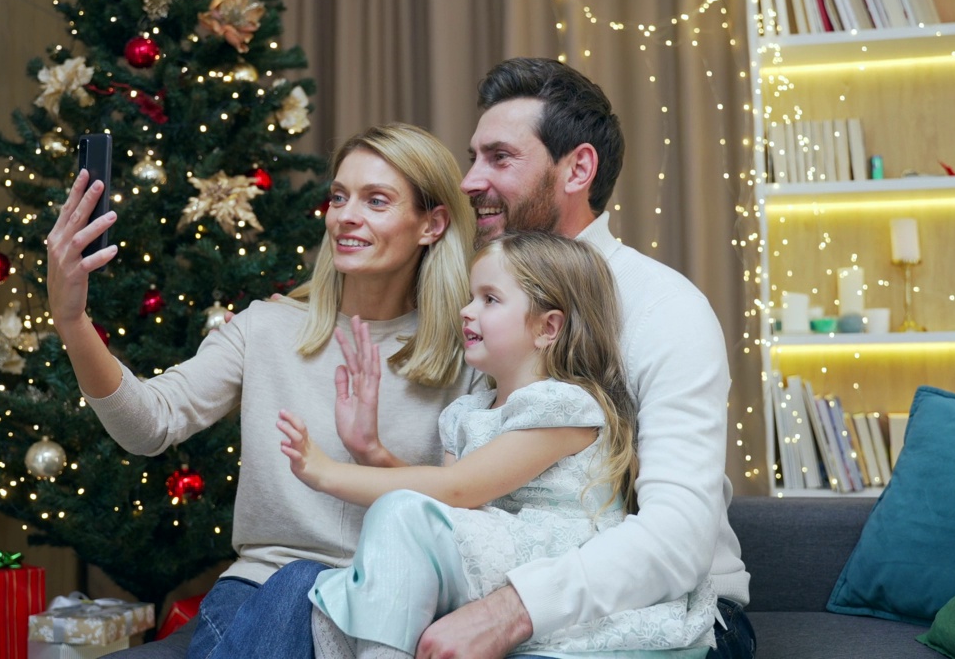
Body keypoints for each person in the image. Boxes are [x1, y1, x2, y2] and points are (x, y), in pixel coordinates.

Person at [45, 122, 479, 659]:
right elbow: (149, 424)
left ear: (432, 224)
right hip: (258, 594)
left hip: (387, 610)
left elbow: (466, 516)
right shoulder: (266, 328)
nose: (346, 215)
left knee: (307, 582)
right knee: (296, 581)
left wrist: (373, 454)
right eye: (339, 197)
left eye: (377, 200)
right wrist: (72, 320)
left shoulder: (470, 354)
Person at [399, 57, 754, 658]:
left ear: (578, 168)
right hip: (492, 591)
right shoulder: (479, 306)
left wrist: (510, 612)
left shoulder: (665, 309)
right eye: (472, 156)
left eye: (499, 157)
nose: (467, 181)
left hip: (670, 617)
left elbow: (679, 538)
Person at [277, 231, 719, 658]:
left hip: (553, 567)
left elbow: (458, 490)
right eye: (471, 297)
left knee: (395, 520)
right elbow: (451, 504)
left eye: (489, 299)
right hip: (490, 564)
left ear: (549, 327)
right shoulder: (466, 413)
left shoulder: (563, 407)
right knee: (333, 597)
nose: (467, 311)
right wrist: (373, 453)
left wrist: (326, 472)